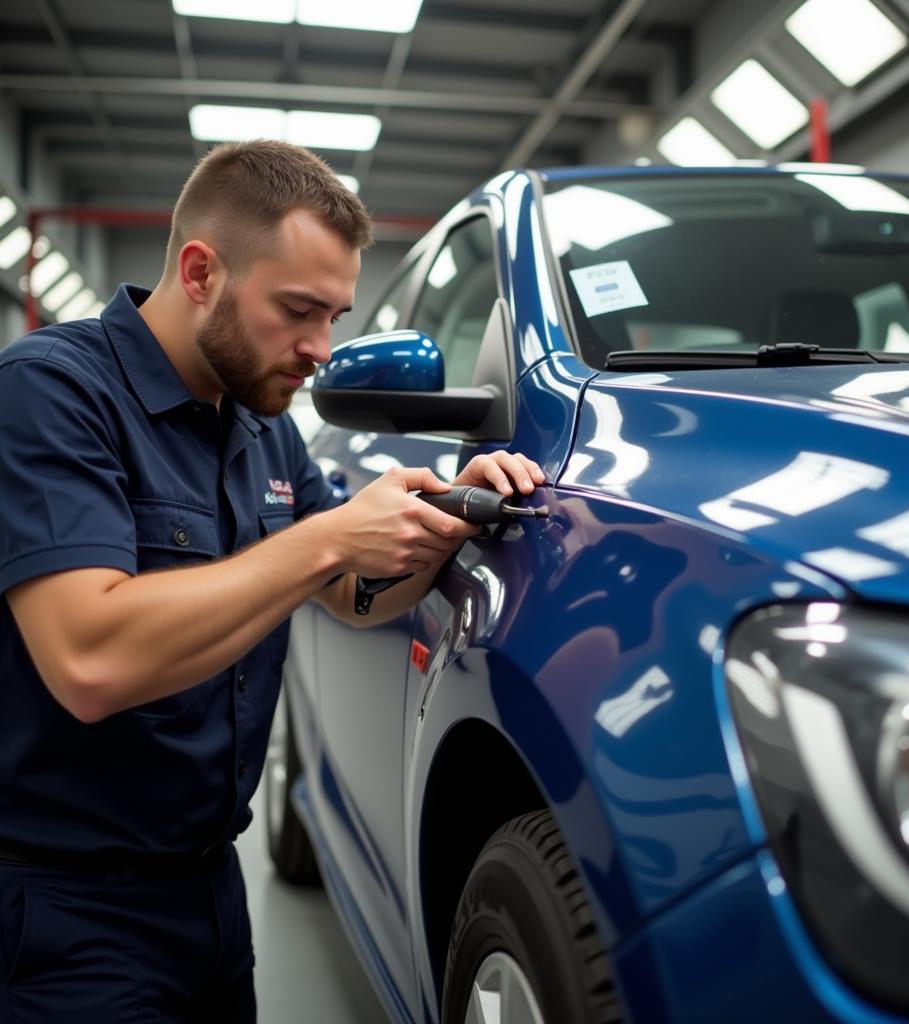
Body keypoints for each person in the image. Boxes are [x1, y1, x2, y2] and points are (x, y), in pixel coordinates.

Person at [0, 139, 544, 1023]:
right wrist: (328, 536)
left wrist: (439, 522)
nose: (320, 349)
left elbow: (346, 591)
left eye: (335, 315)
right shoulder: (53, 393)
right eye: (298, 310)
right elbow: (88, 658)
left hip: (212, 895)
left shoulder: (259, 423)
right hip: (68, 915)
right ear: (202, 271)